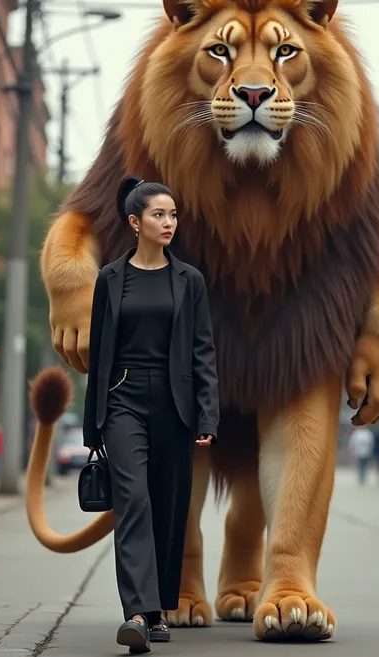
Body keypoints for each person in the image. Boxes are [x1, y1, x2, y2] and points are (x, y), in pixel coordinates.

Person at [82, 175, 219, 654]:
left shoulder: (190, 281)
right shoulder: (110, 279)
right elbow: (99, 355)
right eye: (159, 215)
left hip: (174, 404)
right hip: (122, 400)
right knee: (134, 500)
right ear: (135, 222)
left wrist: (207, 416)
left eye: (173, 214)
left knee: (169, 505)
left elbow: (203, 352)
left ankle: (159, 610)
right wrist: (91, 426)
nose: (169, 223)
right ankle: (138, 614)